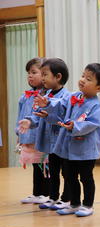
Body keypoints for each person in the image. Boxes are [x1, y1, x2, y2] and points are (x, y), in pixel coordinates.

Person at [35, 63, 100, 217]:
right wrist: (48, 103)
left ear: (99, 88)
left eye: (88, 79)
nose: (83, 80)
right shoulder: (73, 96)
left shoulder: (96, 106)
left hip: (85, 151)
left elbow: (92, 123)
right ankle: (74, 203)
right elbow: (60, 105)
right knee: (69, 176)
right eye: (83, 75)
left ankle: (88, 204)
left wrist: (75, 125)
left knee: (86, 177)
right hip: (68, 148)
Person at [19, 58, 71, 211]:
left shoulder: (67, 96)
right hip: (49, 143)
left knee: (66, 172)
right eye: (40, 74)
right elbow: (37, 114)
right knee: (52, 171)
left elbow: (61, 117)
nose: (42, 78)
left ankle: (67, 198)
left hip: (62, 142)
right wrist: (30, 121)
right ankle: (53, 197)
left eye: (45, 75)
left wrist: (47, 109)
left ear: (58, 77)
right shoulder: (46, 94)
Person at [17, 57, 49, 204]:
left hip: (42, 137)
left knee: (45, 165)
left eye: (33, 72)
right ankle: (37, 193)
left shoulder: (47, 96)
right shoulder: (25, 95)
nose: (29, 75)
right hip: (29, 136)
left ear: (44, 75)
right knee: (36, 164)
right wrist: (19, 133)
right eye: (28, 73)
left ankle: (47, 193)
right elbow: (21, 115)